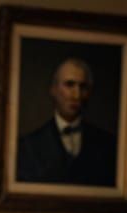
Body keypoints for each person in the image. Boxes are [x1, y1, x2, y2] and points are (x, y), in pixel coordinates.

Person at [16, 57, 117, 187]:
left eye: (83, 87)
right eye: (69, 85)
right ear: (53, 90)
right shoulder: (27, 146)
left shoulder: (108, 144)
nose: (76, 95)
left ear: (89, 93)